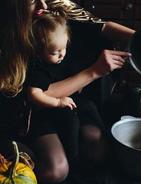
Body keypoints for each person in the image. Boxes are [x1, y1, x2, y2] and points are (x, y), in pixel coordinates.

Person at [0, 0, 135, 183]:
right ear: (12, 7)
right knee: (56, 171)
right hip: (28, 113)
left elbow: (99, 25)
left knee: (97, 147)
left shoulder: (49, 3)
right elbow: (36, 95)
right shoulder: (0, 40)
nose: (44, 3)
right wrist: (94, 71)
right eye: (33, 1)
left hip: (68, 102)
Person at [27, 10, 106, 174]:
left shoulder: (63, 56)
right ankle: (72, 158)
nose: (61, 55)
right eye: (54, 52)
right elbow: (34, 95)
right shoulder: (38, 69)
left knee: (89, 112)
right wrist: (57, 102)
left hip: (70, 104)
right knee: (70, 127)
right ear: (38, 51)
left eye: (63, 48)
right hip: (45, 111)